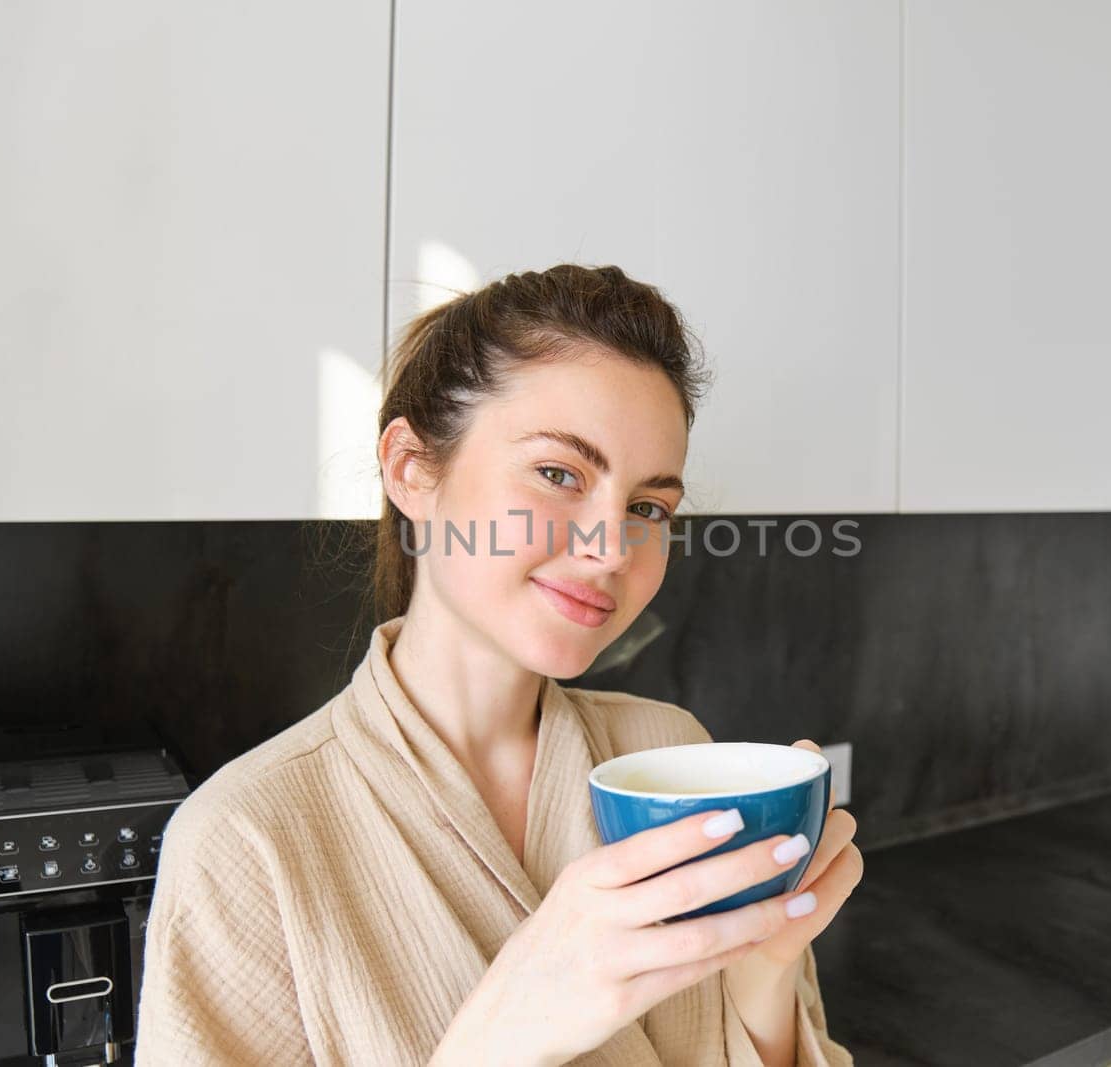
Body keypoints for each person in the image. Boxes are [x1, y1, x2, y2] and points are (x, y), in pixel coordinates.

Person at [134, 264, 863, 1065]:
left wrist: (766, 967)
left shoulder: (669, 753)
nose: (611, 547)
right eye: (559, 474)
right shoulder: (246, 841)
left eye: (648, 506)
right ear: (413, 470)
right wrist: (499, 1037)